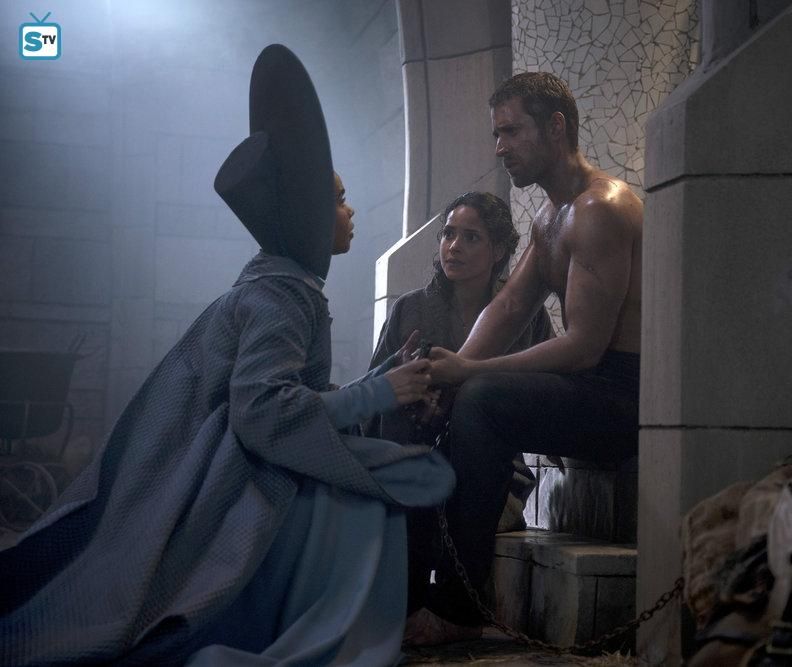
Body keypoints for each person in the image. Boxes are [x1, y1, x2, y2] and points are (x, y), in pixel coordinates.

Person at [0, 44, 454, 666]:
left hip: (235, 462)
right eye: (338, 200)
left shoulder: (280, 284)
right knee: (386, 479)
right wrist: (379, 393)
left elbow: (292, 397)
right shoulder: (280, 296)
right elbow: (263, 410)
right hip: (232, 480)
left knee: (395, 468)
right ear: (304, 213)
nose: (349, 212)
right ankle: (324, 619)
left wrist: (384, 377)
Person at [407, 71, 644, 645]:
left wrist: (470, 373)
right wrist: (447, 376)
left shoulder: (599, 208)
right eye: (497, 133)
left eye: (511, 131)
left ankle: (461, 607)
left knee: (484, 399)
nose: (499, 147)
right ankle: (415, 590)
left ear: (556, 127)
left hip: (624, 397)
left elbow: (584, 348)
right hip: (593, 387)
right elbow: (509, 306)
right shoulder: (549, 217)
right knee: (444, 401)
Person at [367, 191, 551, 619]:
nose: (454, 246)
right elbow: (373, 393)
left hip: (493, 475)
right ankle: (405, 604)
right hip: (416, 458)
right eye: (449, 234)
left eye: (471, 237)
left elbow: (546, 387)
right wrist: (408, 390)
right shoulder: (410, 310)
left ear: (499, 250)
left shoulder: (524, 313)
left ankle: (449, 609)